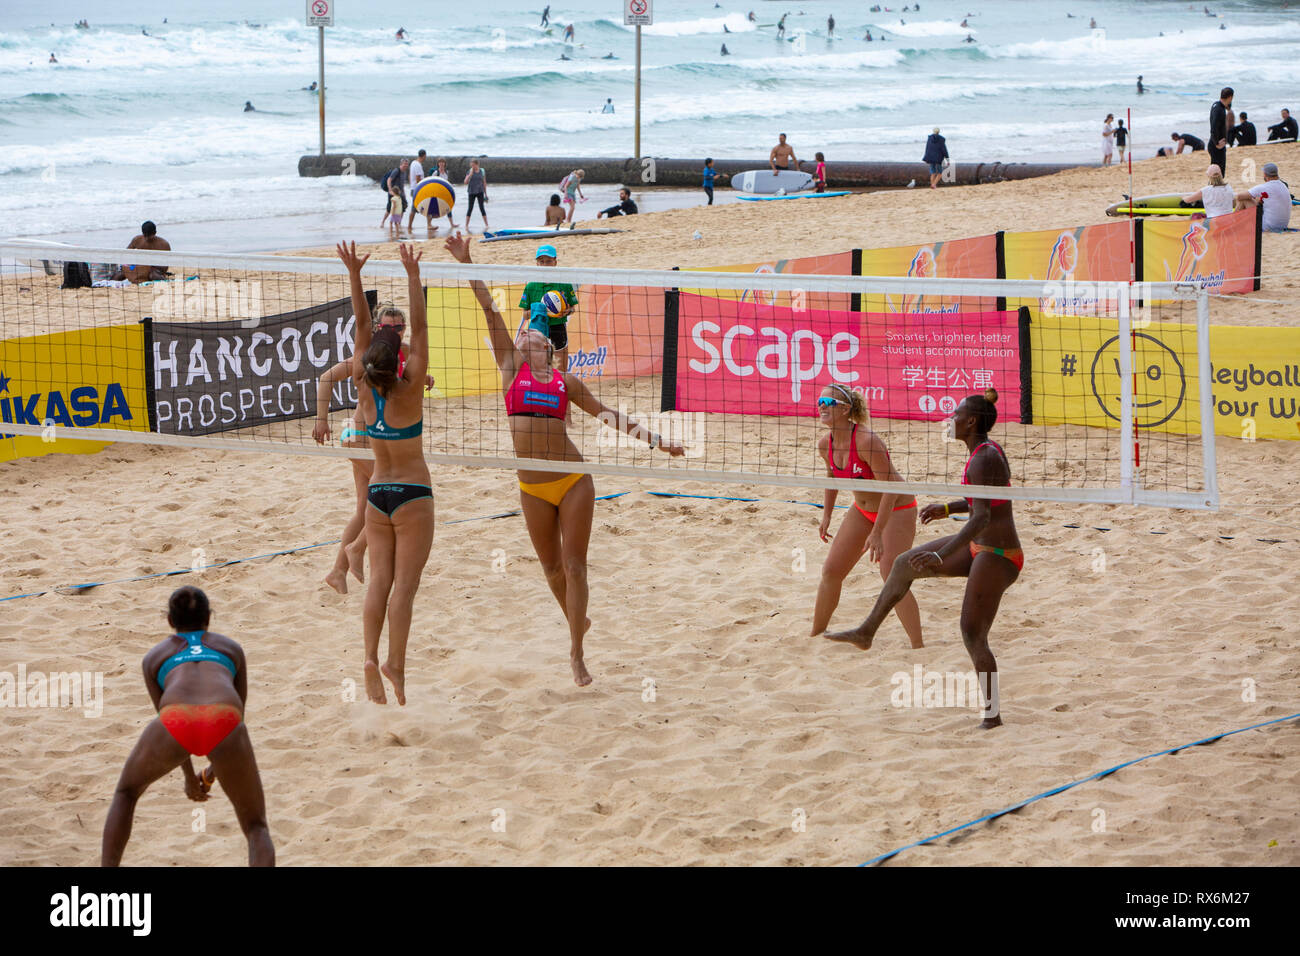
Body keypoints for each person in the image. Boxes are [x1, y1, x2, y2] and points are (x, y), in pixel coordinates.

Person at [445, 234, 684, 686]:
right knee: (551, 569)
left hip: (572, 479)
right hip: (532, 486)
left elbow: (611, 416)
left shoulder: (565, 382)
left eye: (533, 336)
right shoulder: (510, 369)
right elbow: (490, 311)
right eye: (523, 336)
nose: (525, 337)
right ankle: (578, 620)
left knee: (575, 566)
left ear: (547, 348)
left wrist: (658, 441)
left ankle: (576, 652)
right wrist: (468, 261)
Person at [826, 391, 1020, 730]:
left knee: (972, 634)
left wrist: (940, 553)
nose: (951, 419)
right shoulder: (980, 453)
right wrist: (947, 508)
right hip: (979, 547)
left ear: (971, 421)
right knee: (903, 563)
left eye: (956, 414)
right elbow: (981, 501)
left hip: (999, 556)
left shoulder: (983, 459)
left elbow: (982, 517)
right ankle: (866, 631)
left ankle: (993, 717)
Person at [102, 586, 274, 866]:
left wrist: (190, 777)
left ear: (170, 621)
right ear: (210, 618)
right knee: (256, 826)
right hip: (225, 719)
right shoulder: (231, 649)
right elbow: (236, 716)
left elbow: (170, 719)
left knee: (126, 793)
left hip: (176, 720)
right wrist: (211, 772)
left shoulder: (154, 657)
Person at [337, 240, 433, 706]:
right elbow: (422, 323)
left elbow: (360, 323)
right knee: (405, 589)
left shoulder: (361, 378)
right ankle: (395, 662)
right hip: (413, 494)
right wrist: (413, 274)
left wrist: (355, 275)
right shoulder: (411, 387)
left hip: (378, 495)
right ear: (400, 357)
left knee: (378, 582)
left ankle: (370, 656)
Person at [810, 386, 922, 645]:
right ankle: (815, 635)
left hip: (897, 509)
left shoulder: (866, 441)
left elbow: (890, 489)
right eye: (820, 402)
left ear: (846, 409)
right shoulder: (825, 444)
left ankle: (918, 646)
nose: (822, 406)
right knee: (831, 571)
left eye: (828, 402)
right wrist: (826, 515)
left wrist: (877, 533)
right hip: (862, 510)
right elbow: (831, 477)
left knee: (891, 573)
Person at [519, 243, 578, 370]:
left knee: (561, 369)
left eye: (549, 261)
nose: (545, 264)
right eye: (541, 261)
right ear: (537, 264)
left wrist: (567, 311)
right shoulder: (531, 286)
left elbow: (573, 308)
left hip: (558, 327)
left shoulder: (564, 284)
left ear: (555, 262)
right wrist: (540, 309)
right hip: (537, 330)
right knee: (537, 367)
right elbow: (524, 315)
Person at [1235, 162, 1293, 232]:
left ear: (1265, 174)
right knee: (1256, 200)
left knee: (1243, 200)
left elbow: (1239, 196)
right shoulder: (1283, 186)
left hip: (1268, 227)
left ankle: (1232, 224)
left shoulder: (1264, 187)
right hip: (1283, 225)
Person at [1209, 87, 1234, 173]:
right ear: (1230, 97)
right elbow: (1213, 127)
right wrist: (1216, 143)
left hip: (1215, 142)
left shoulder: (1216, 104)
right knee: (1218, 173)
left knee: (1217, 171)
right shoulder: (1219, 109)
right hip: (1216, 145)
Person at [379, 158, 409, 228]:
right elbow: (389, 180)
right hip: (393, 192)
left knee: (403, 208)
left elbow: (402, 184)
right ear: (401, 164)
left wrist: (404, 194)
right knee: (389, 209)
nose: (406, 166)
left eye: (407, 164)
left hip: (400, 193)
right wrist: (390, 190)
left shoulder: (404, 172)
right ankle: (382, 222)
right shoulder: (396, 171)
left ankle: (399, 223)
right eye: (404, 164)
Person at [460, 159, 489, 232]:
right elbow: (465, 182)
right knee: (470, 208)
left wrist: (486, 194)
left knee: (482, 208)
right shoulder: (470, 171)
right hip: (471, 192)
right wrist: (470, 174)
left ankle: (486, 225)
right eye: (471, 165)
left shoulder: (482, 171)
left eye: (473, 165)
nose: (472, 166)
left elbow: (484, 182)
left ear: (477, 164)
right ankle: (466, 225)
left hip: (480, 191)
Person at [407, 148, 430, 236]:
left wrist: (411, 186)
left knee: (423, 206)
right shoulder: (418, 165)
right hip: (418, 189)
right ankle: (410, 226)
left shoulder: (413, 163)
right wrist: (422, 188)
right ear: (424, 156)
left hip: (414, 188)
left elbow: (410, 176)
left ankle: (428, 224)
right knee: (416, 208)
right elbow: (418, 178)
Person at [434, 157, 459, 232]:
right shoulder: (436, 173)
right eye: (440, 162)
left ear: (445, 164)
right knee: (433, 208)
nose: (441, 164)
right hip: (437, 193)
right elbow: (432, 183)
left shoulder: (446, 173)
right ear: (438, 164)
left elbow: (447, 182)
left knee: (449, 208)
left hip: (445, 193)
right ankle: (429, 223)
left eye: (443, 162)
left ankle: (452, 224)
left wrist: (451, 186)